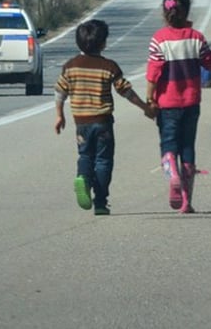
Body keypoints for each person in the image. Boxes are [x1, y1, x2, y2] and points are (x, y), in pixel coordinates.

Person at [54, 19, 153, 216]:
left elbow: (60, 93)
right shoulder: (109, 67)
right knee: (104, 161)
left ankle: (82, 177)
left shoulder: (70, 67)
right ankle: (100, 202)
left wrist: (59, 116)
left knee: (85, 155)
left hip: (81, 123)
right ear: (103, 43)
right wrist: (145, 107)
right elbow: (126, 92)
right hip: (103, 122)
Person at [146, 0, 211, 214]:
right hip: (191, 102)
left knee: (168, 145)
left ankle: (172, 175)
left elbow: (153, 73)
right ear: (186, 10)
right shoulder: (196, 37)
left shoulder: (159, 39)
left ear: (165, 13)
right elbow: (210, 63)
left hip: (167, 104)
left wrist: (150, 98)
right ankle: (187, 201)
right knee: (187, 147)